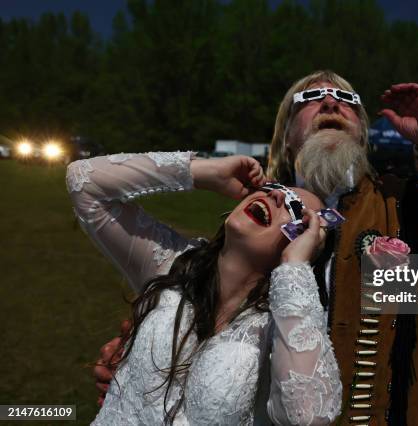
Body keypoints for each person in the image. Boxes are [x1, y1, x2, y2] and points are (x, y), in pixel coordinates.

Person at [94, 70, 418, 425]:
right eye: (308, 100)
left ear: (363, 131)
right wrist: (144, 362)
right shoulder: (259, 215)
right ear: (286, 135)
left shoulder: (411, 208)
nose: (330, 103)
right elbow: (198, 306)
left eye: (347, 100)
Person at [66, 153, 342, 425]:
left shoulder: (279, 328)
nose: (276, 196)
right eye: (274, 188)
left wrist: (294, 266)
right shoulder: (171, 264)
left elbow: (308, 416)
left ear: (302, 241)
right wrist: (202, 173)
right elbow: (84, 181)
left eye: (294, 207)